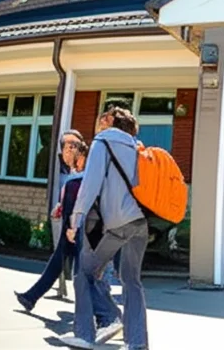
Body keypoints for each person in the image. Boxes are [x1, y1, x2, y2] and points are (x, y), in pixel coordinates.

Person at [16, 134, 122, 341]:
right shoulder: (82, 178)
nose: (68, 152)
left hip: (87, 236)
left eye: (72, 148)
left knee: (89, 279)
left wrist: (72, 228)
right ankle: (103, 322)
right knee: (89, 279)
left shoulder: (79, 180)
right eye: (65, 148)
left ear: (80, 152)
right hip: (93, 235)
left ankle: (108, 320)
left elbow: (82, 208)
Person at [62, 107, 149, 350]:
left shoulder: (102, 142)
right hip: (140, 222)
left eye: (105, 116)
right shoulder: (138, 147)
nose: (100, 120)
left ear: (112, 122)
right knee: (132, 281)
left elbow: (90, 186)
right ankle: (137, 342)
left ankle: (85, 334)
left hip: (117, 223)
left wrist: (75, 222)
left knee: (84, 273)